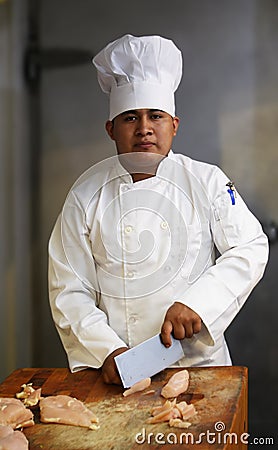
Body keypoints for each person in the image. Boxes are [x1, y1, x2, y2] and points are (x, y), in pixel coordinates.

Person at [48, 34, 269, 385]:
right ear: (111, 129)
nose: (145, 129)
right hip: (120, 370)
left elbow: (251, 246)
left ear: (174, 125)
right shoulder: (85, 195)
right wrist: (105, 350)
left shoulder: (208, 180)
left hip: (200, 368)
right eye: (130, 118)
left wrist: (199, 303)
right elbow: (69, 288)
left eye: (156, 116)